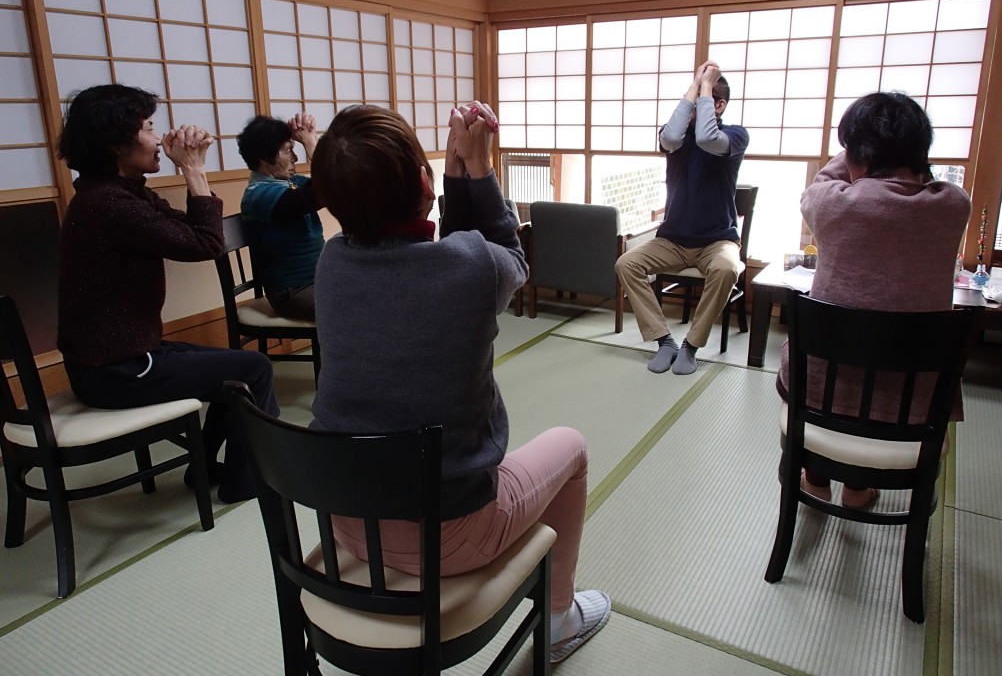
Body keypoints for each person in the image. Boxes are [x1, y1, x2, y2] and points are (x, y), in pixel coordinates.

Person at [309, 101, 611, 663]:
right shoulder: (471, 269)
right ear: (423, 183)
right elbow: (509, 258)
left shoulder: (330, 265)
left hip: (347, 526)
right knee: (572, 446)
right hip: (450, 539)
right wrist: (477, 169)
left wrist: (453, 175)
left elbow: (450, 258)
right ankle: (560, 618)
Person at [56, 84, 280, 503]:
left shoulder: (116, 193)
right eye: (147, 127)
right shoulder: (110, 204)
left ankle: (208, 469)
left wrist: (193, 171)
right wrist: (193, 169)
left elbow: (195, 232)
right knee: (254, 369)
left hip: (118, 359)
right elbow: (206, 245)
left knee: (238, 370)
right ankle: (248, 481)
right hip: (117, 371)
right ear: (116, 143)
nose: (158, 138)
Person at [776, 91, 972, 510]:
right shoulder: (954, 206)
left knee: (821, 367)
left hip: (822, 396)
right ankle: (858, 489)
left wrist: (851, 150)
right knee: (881, 377)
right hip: (914, 407)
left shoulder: (831, 203)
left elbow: (823, 180)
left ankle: (818, 479)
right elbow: (926, 179)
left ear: (856, 154)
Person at [616, 60, 750, 375]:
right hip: (673, 240)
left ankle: (691, 345)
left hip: (717, 240)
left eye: (704, 99)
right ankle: (664, 341)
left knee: (727, 268)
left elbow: (707, 139)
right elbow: (670, 137)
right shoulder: (675, 137)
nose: (693, 106)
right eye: (692, 99)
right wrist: (694, 87)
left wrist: (706, 87)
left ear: (719, 105)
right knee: (626, 264)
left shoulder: (735, 135)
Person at [237, 112, 324, 321]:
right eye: (288, 150)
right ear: (265, 158)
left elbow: (336, 187)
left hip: (319, 280)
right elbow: (320, 194)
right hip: (293, 291)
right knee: (361, 307)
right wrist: (310, 143)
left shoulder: (292, 182)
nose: (295, 158)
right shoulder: (258, 194)